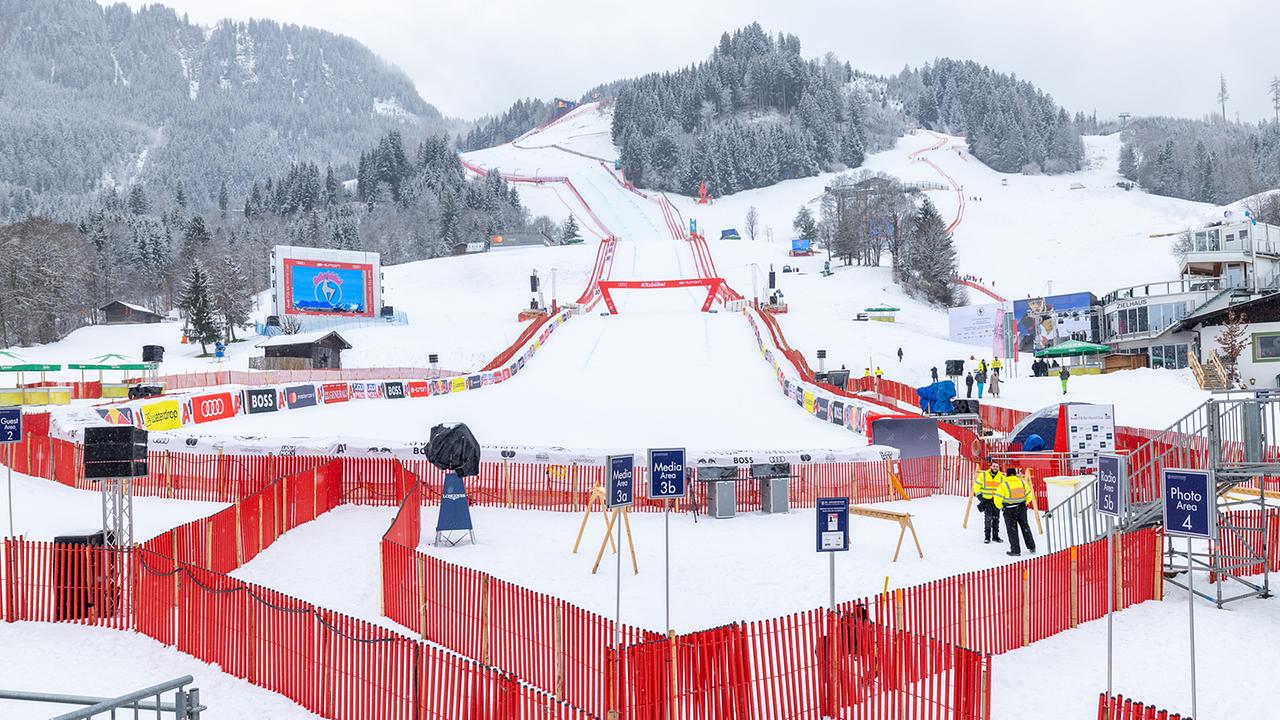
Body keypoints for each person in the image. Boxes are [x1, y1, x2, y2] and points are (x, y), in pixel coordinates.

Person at [995, 468, 1036, 556]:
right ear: (1015, 474)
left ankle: (1016, 551)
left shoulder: (1003, 485)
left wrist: (1002, 507)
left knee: (1012, 530)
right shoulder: (1022, 483)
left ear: (1007, 474)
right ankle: (1032, 547)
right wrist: (1023, 503)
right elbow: (1029, 495)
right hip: (1021, 509)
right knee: (1025, 527)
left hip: (1009, 510)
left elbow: (997, 500)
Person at [972, 458, 1004, 544]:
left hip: (996, 501)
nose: (995, 468)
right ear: (991, 466)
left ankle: (995, 536)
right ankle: (987, 537)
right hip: (986, 500)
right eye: (994, 466)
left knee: (996, 519)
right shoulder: (983, 475)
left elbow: (1004, 489)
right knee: (988, 519)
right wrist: (980, 496)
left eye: (997, 466)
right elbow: (977, 486)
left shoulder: (1002, 477)